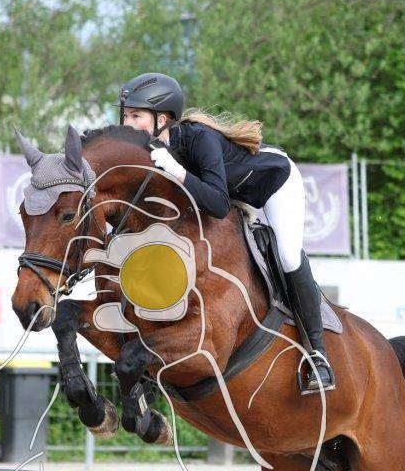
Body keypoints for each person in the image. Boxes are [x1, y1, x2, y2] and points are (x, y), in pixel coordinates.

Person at [116, 72, 335, 394]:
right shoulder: (150, 149)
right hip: (232, 193)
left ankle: (318, 354)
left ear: (162, 119)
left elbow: (217, 205)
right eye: (125, 116)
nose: (127, 123)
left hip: (273, 184)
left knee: (288, 255)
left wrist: (177, 170)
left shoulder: (199, 139)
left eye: (136, 116)